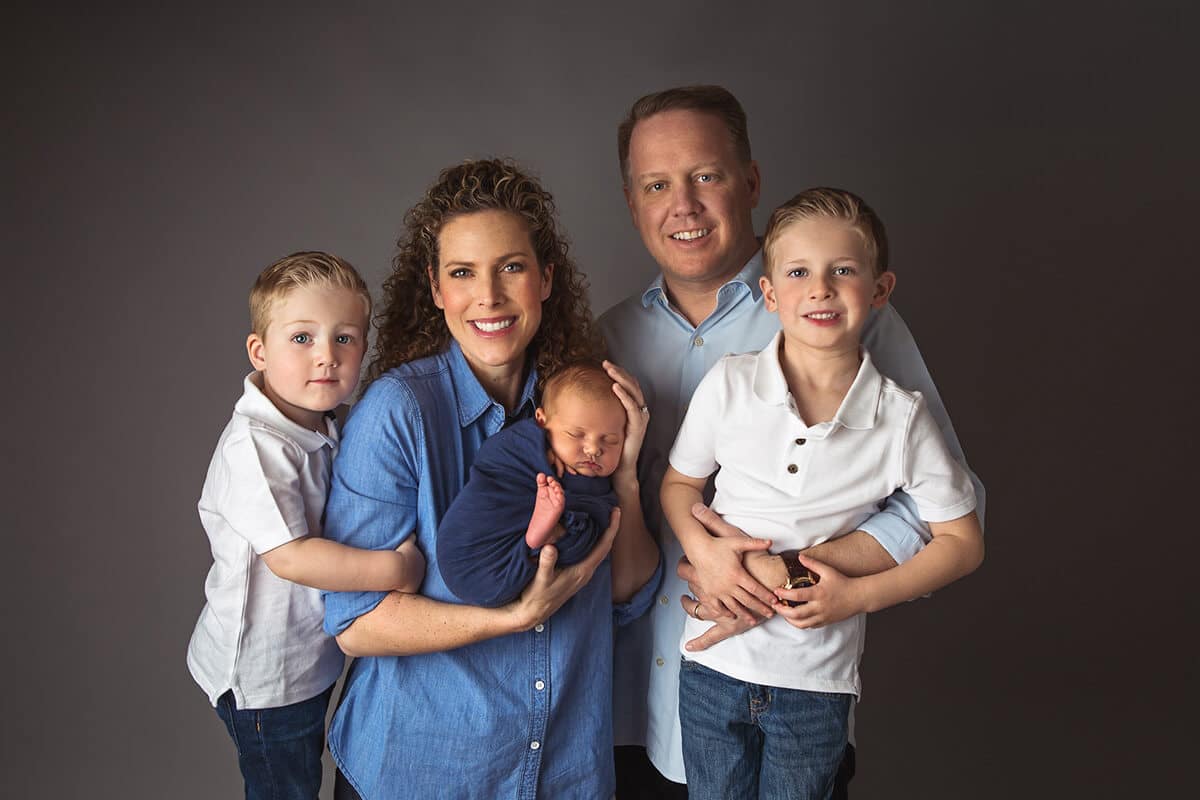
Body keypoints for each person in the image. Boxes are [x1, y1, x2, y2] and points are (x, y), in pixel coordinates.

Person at [598, 85, 986, 798]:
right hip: (633, 713)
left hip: (797, 689)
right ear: (633, 201)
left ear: (749, 182)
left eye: (705, 175)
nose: (682, 204)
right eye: (657, 184)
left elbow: (946, 511)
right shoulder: (607, 339)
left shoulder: (843, 316)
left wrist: (784, 573)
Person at [319, 159, 662, 800]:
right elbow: (355, 622)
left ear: (546, 279)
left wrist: (627, 475)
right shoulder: (398, 413)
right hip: (421, 771)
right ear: (436, 288)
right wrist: (506, 619)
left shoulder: (590, 414)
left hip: (564, 770)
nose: (489, 297)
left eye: (511, 267)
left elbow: (625, 591)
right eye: (462, 273)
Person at [186, 251, 426, 800]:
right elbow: (290, 556)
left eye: (345, 338)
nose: (326, 357)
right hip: (266, 679)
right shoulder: (256, 446)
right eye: (302, 338)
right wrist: (396, 567)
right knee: (286, 789)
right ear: (259, 351)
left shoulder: (325, 423)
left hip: (307, 660)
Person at [437, 361, 627, 607]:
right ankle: (543, 533)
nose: (592, 449)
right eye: (576, 435)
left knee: (584, 537)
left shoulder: (600, 489)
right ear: (541, 421)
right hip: (468, 550)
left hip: (507, 574)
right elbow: (490, 460)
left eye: (610, 441)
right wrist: (538, 454)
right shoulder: (521, 444)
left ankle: (541, 535)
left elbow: (589, 542)